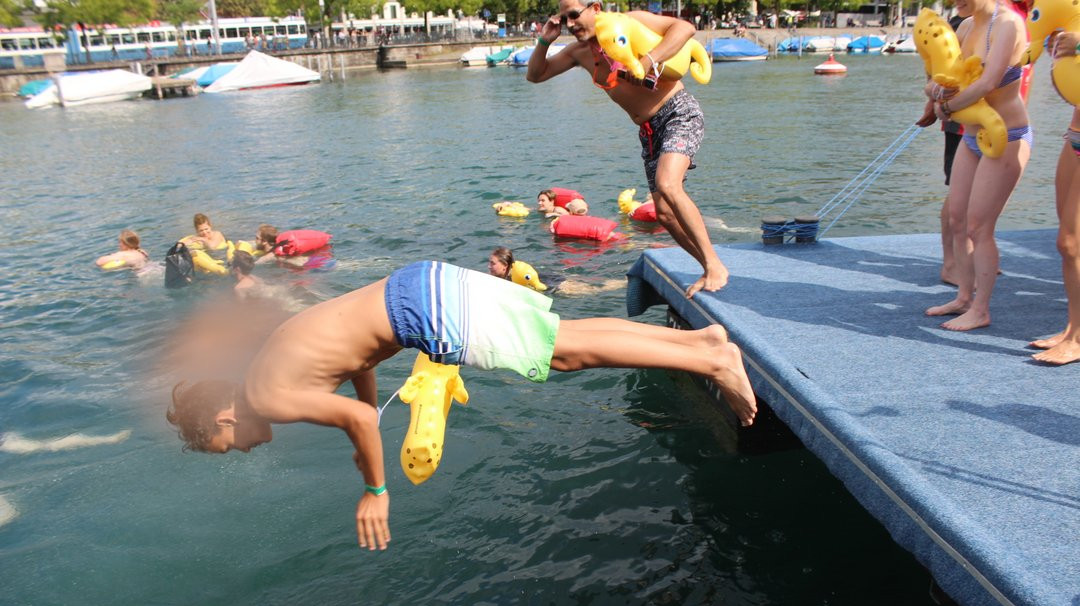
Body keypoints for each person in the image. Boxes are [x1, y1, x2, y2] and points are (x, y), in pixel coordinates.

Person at [166, 261, 757, 550]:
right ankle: (700, 343)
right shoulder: (266, 368)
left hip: (425, 312)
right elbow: (356, 367)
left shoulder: (266, 396)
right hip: (419, 286)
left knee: (564, 353)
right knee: (563, 339)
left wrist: (375, 490)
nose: (236, 450)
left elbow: (353, 415)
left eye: (225, 446)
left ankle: (711, 360)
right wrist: (365, 422)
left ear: (224, 421)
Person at [526, 0, 729, 298]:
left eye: (574, 15)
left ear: (595, 8)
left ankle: (714, 264)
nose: (570, 24)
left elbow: (685, 27)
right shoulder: (578, 53)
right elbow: (535, 74)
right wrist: (545, 39)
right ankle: (709, 266)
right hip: (647, 131)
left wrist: (648, 61)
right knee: (663, 213)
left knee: (668, 185)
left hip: (677, 112)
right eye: (565, 19)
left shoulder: (630, 20)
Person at [924, 0, 1030, 331]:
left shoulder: (1008, 24)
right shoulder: (965, 25)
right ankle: (964, 297)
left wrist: (949, 106)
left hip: (1006, 136)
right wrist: (936, 95)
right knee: (957, 219)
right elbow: (938, 75)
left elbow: (988, 83)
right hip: (970, 136)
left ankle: (981, 309)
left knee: (978, 227)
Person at [1030, 32, 1080, 364]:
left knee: (1070, 241)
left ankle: (1077, 339)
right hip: (1075, 131)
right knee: (1068, 241)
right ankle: (1073, 328)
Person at [916, 11, 969, 286]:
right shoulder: (963, 23)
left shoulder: (1017, 16)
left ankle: (974, 255)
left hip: (1002, 125)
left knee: (984, 198)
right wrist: (933, 101)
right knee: (959, 194)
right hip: (961, 125)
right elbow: (935, 69)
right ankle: (951, 263)